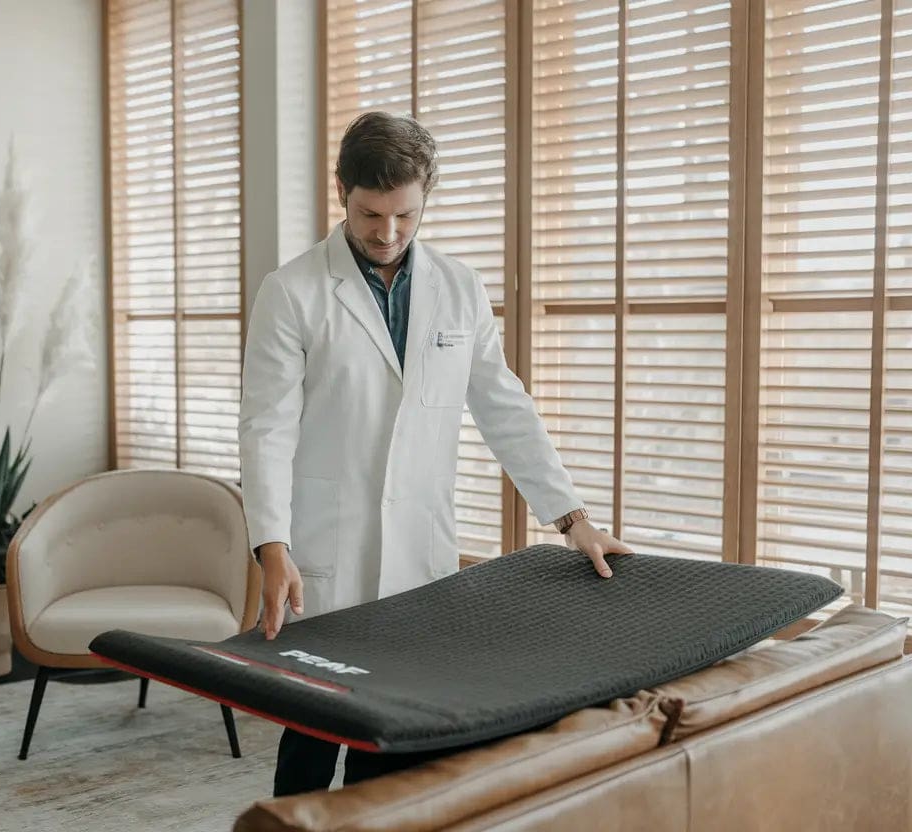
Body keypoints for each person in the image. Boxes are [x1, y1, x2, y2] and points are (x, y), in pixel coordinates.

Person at [238, 111, 633, 797]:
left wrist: (572, 518)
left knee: (393, 726)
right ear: (342, 192)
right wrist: (271, 545)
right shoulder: (293, 292)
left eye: (404, 215)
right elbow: (266, 428)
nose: (387, 234)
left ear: (425, 198)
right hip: (326, 547)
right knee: (313, 720)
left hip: (421, 547)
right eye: (370, 215)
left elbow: (503, 405)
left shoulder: (460, 288)